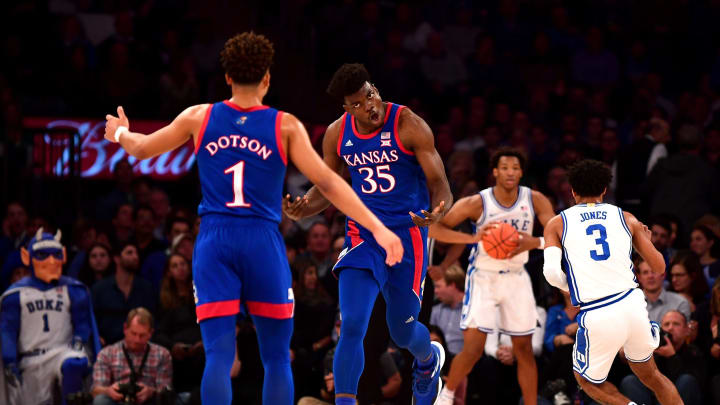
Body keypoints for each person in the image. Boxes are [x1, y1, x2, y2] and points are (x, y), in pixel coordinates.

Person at [103, 33, 403, 405]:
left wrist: (119, 133)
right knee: (276, 358)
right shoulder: (285, 125)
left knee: (218, 357)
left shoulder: (199, 116)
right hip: (261, 241)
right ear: (266, 79)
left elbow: (143, 148)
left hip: (214, 241)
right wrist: (378, 227)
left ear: (227, 77)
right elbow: (328, 183)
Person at [283, 62, 453, 405]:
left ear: (375, 88)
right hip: (364, 235)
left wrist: (438, 209)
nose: (370, 105)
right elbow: (328, 187)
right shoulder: (337, 133)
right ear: (346, 108)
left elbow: (440, 185)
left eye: (370, 95)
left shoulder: (408, 124)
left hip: (408, 235)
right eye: (358, 103)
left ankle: (427, 360)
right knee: (353, 324)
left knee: (402, 332)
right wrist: (303, 208)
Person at [542, 159, 682, 405]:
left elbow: (552, 274)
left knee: (586, 380)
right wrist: (644, 245)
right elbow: (659, 267)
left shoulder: (558, 222)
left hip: (598, 311)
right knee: (653, 376)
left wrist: (573, 287)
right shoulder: (626, 218)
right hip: (632, 305)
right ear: (605, 190)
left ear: (572, 191)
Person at [431, 147, 555, 405]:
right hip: (484, 278)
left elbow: (559, 235)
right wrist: (472, 238)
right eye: (505, 168)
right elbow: (434, 228)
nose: (510, 172)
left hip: (516, 277)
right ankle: (446, 396)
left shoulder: (536, 200)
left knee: (523, 350)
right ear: (495, 172)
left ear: (521, 172)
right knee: (474, 349)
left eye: (515, 168)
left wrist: (535, 242)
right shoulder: (477, 202)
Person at [0, 228, 101, 405]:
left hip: (63, 351)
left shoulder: (75, 289)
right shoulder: (14, 295)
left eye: (56, 255)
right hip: (30, 359)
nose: (52, 261)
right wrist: (9, 360)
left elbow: (83, 324)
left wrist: (79, 343)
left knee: (73, 364)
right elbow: (8, 330)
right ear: (27, 257)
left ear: (63, 255)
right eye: (43, 255)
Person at [91, 308, 177, 405]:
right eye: (133, 333)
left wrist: (151, 391)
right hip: (117, 400)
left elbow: (166, 390)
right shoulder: (107, 354)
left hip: (148, 401)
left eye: (142, 335)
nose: (137, 340)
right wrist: (109, 390)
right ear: (125, 329)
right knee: (101, 400)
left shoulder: (162, 354)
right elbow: (96, 390)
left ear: (151, 333)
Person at [620, 310, 706, 405]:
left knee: (686, 380)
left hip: (679, 395)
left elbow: (696, 384)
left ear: (686, 330)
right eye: (666, 324)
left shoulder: (693, 352)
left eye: (676, 324)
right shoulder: (654, 348)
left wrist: (672, 357)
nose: (670, 328)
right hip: (651, 395)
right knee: (630, 381)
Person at [152, 254, 202, 395]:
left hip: (202, 350)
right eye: (175, 265)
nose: (180, 268)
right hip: (177, 355)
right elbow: (159, 332)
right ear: (168, 272)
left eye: (183, 264)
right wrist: (173, 346)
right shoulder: (164, 300)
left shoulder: (202, 293)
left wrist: (204, 342)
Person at [92, 241, 157, 344]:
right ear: (117, 258)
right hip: (107, 346)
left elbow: (153, 320)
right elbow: (92, 320)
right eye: (129, 253)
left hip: (140, 344)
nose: (135, 257)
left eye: (136, 253)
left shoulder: (146, 288)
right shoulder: (100, 289)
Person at [636, 257, 691, 323]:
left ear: (663, 275)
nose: (650, 276)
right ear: (639, 277)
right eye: (645, 272)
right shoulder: (630, 304)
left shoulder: (680, 303)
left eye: (654, 271)